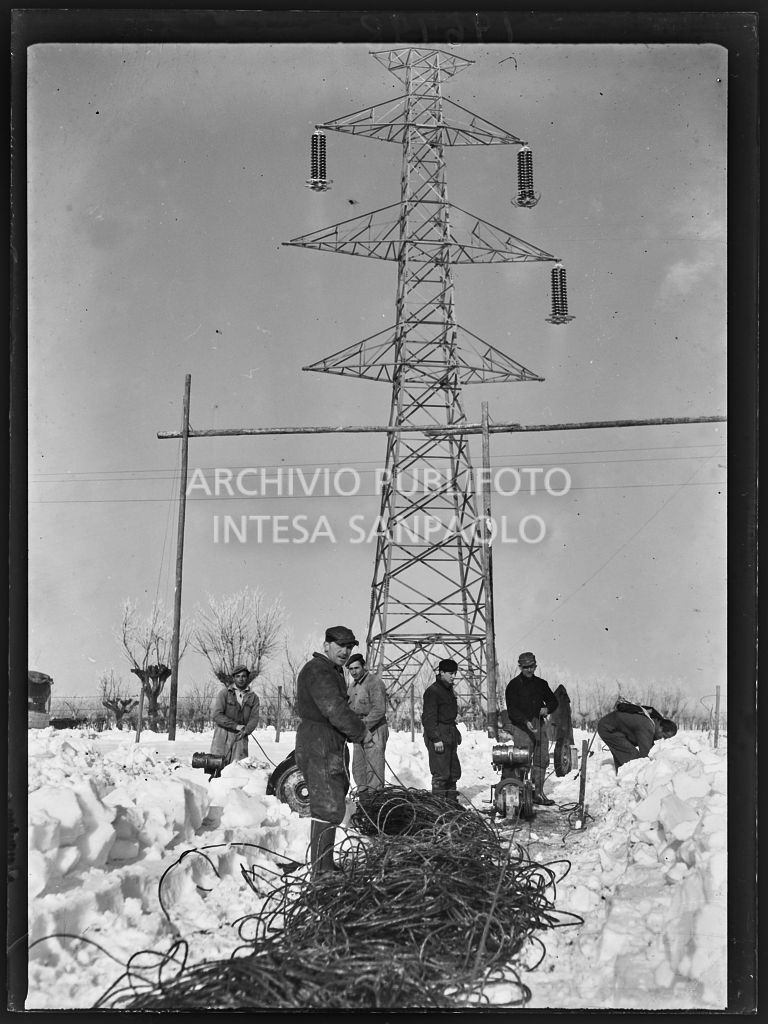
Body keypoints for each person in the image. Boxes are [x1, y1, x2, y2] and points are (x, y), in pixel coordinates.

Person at [295, 626, 374, 876]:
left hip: (325, 741)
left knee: (330, 804)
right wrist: (361, 732)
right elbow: (334, 709)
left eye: (349, 647)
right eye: (340, 646)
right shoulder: (319, 670)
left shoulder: (331, 670)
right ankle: (322, 871)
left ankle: (324, 865)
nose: (345, 651)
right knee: (327, 806)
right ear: (326, 644)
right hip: (320, 742)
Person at [504, 652, 559, 806]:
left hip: (539, 725)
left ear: (536, 666)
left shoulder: (541, 684)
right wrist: (524, 721)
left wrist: (547, 709)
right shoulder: (513, 686)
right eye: (526, 667)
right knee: (522, 760)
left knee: (542, 759)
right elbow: (512, 710)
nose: (529, 670)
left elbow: (554, 701)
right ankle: (518, 796)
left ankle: (538, 794)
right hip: (521, 727)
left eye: (532, 666)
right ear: (520, 667)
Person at [346, 653, 388, 799]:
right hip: (359, 731)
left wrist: (363, 726)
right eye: (350, 669)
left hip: (374, 729)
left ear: (364, 667)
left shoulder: (374, 682)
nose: (354, 672)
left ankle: (375, 806)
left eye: (356, 668)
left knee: (374, 769)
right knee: (359, 768)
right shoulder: (352, 687)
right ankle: (363, 804)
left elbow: (379, 710)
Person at [421, 658, 462, 803]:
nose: (453, 676)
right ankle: (439, 808)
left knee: (453, 772)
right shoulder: (433, 691)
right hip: (438, 734)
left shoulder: (448, 690)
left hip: (449, 732)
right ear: (441, 672)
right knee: (441, 773)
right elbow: (428, 718)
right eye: (450, 673)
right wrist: (436, 739)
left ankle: (451, 805)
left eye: (454, 673)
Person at [210, 665, 260, 775]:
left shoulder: (253, 697)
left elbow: (254, 718)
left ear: (247, 678)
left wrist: (246, 730)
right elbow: (217, 715)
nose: (241, 679)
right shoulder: (224, 693)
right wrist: (235, 726)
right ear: (234, 678)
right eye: (238, 676)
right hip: (222, 735)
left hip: (241, 736)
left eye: (244, 676)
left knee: (239, 770)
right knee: (217, 768)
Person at [597, 705, 677, 770]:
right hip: (608, 729)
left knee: (626, 753)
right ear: (660, 727)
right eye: (664, 736)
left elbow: (648, 745)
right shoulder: (647, 726)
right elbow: (645, 753)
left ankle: (622, 776)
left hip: (617, 729)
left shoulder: (652, 721)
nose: (662, 739)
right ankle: (629, 781)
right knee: (635, 760)